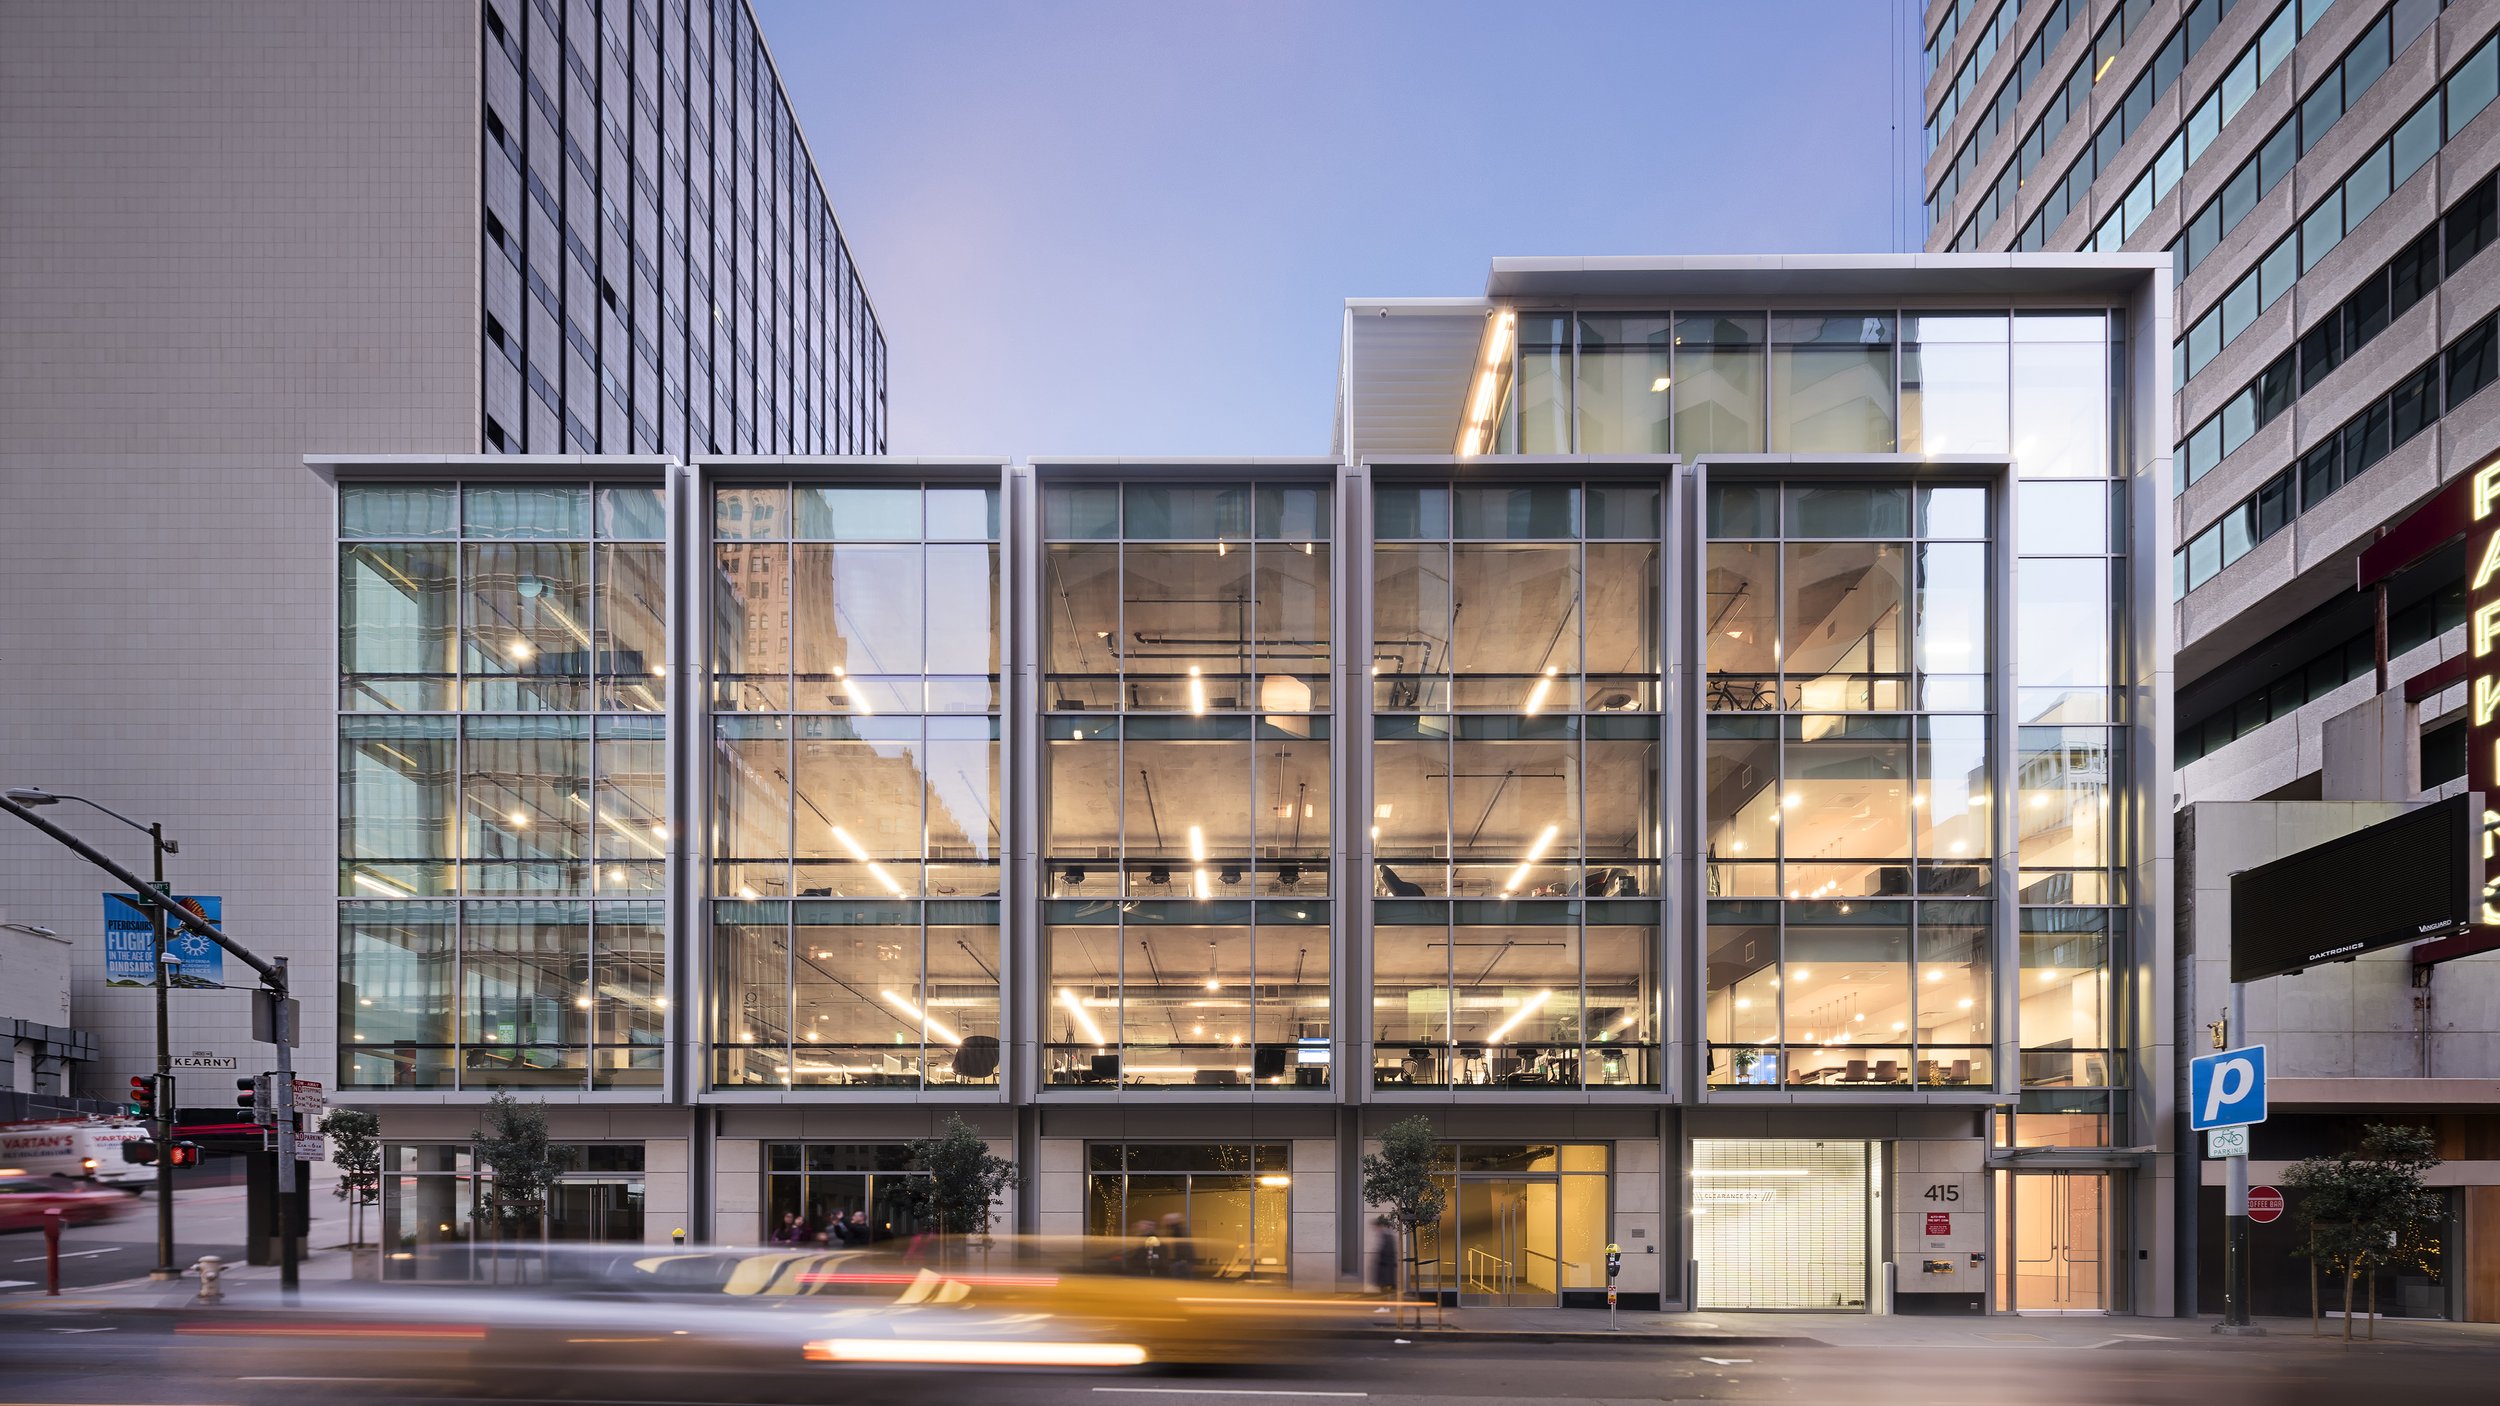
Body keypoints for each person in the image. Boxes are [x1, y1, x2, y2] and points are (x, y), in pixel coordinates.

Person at [1371, 1216, 1400, 1297]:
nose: (1375, 1229)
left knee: (1386, 1289)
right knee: (1385, 1289)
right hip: (1385, 1269)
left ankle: (1386, 1302)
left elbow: (1386, 1252)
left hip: (1385, 1269)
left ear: (1380, 1226)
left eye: (1376, 1226)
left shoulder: (1386, 1236)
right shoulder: (1386, 1235)